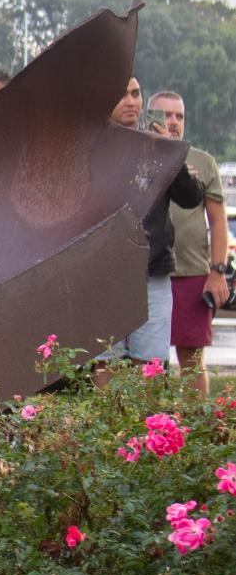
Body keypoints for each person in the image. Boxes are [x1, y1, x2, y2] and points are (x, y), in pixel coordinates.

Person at [96, 76, 204, 368]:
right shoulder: (92, 147)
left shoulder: (156, 147)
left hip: (151, 268)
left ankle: (152, 417)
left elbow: (192, 197)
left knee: (152, 363)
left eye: (136, 93)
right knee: (105, 360)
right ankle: (109, 416)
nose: (131, 101)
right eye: (122, 95)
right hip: (102, 271)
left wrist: (172, 154)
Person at [149, 89, 226, 391]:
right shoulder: (140, 153)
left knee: (192, 361)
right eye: (165, 115)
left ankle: (196, 430)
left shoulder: (202, 162)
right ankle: (149, 430)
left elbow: (219, 221)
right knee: (147, 363)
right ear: (151, 117)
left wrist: (218, 272)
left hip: (192, 272)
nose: (173, 121)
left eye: (179, 116)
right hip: (150, 272)